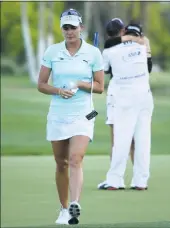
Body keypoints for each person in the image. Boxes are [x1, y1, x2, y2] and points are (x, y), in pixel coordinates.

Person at [37, 8, 104, 225]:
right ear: (62, 29)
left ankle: (75, 204)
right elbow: (41, 84)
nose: (69, 31)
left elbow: (100, 86)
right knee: (61, 163)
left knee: (76, 159)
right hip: (58, 113)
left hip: (84, 112)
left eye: (73, 27)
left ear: (81, 28)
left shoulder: (93, 53)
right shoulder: (52, 52)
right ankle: (64, 208)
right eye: (65, 27)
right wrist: (59, 90)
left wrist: (81, 84)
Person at [98, 20, 153, 190]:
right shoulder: (143, 47)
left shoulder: (110, 49)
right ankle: (141, 181)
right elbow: (149, 67)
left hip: (124, 98)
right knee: (143, 140)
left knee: (121, 140)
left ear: (125, 32)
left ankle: (115, 180)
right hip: (145, 97)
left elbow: (105, 69)